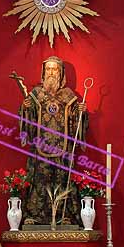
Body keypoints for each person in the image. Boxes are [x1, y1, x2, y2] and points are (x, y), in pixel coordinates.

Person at [19, 56, 88, 225]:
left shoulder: (69, 96)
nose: (51, 72)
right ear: (43, 72)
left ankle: (65, 217)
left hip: (63, 150)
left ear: (61, 73)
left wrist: (81, 112)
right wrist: (26, 109)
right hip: (40, 148)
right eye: (48, 69)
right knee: (39, 182)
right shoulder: (35, 94)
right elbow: (29, 121)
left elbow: (75, 123)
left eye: (54, 69)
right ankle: (34, 217)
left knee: (62, 182)